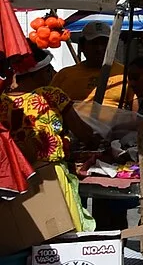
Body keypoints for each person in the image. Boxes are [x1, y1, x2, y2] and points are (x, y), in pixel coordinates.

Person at [0, 48, 99, 226]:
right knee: (63, 228)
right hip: (51, 173)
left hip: (17, 176)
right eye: (50, 70)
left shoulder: (2, 100)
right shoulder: (51, 94)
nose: (53, 74)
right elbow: (83, 132)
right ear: (42, 72)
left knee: (28, 230)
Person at [52, 29, 125, 104]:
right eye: (94, 43)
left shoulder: (124, 74)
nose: (99, 49)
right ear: (82, 46)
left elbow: (135, 109)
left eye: (104, 43)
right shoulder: (64, 75)